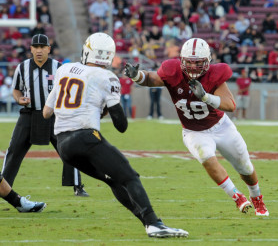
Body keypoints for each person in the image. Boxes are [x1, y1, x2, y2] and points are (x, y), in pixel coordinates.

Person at [43, 32, 189, 238]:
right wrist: (103, 108)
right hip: (85, 138)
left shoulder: (64, 69)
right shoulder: (107, 77)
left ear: (87, 51)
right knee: (130, 177)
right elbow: (121, 125)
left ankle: (150, 225)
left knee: (114, 181)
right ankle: (155, 223)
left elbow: (46, 112)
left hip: (63, 145)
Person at [124, 38, 269, 216]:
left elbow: (230, 105)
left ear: (207, 61)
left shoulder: (215, 74)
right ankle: (236, 195)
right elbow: (151, 79)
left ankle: (257, 197)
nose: (193, 67)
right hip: (194, 131)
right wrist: (137, 76)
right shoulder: (172, 70)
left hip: (221, 126)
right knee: (206, 157)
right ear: (182, 61)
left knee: (245, 167)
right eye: (190, 62)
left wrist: (206, 97)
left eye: (198, 63)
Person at [1, 34, 89, 197]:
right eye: (36, 47)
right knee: (13, 150)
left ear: (49, 49)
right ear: (31, 49)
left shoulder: (60, 68)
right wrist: (19, 99)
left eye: (43, 47)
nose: (39, 50)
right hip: (29, 114)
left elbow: (68, 91)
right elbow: (16, 89)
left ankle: (77, 185)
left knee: (70, 148)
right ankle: (3, 187)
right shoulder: (22, 67)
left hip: (54, 116)